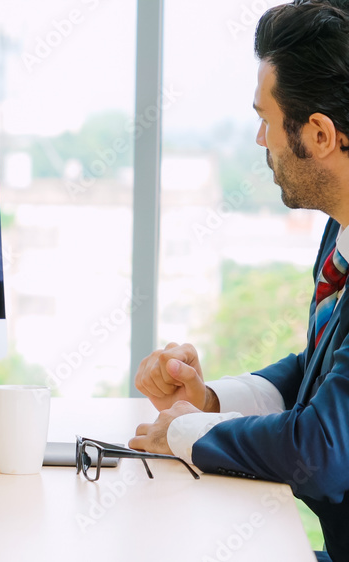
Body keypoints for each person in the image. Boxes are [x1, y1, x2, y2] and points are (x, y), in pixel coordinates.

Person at [128, 2, 349, 560]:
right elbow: (322, 377)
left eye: (267, 119)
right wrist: (208, 401)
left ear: (319, 134)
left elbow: (322, 451)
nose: (260, 140)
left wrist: (185, 433)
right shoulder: (340, 232)